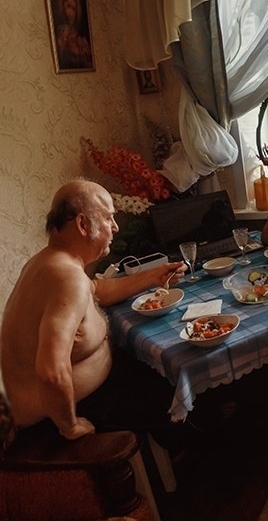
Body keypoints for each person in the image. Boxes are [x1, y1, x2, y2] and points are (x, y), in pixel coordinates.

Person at [1, 179, 185, 440]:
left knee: (151, 366)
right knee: (172, 391)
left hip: (68, 403)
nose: (115, 227)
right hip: (52, 420)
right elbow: (51, 370)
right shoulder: (67, 278)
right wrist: (70, 426)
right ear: (83, 225)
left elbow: (97, 290)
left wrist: (153, 276)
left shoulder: (49, 261)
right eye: (109, 218)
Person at [54, 0, 92, 69]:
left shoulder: (78, 34)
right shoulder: (61, 32)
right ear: (63, 8)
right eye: (68, 7)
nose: (71, 12)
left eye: (74, 9)